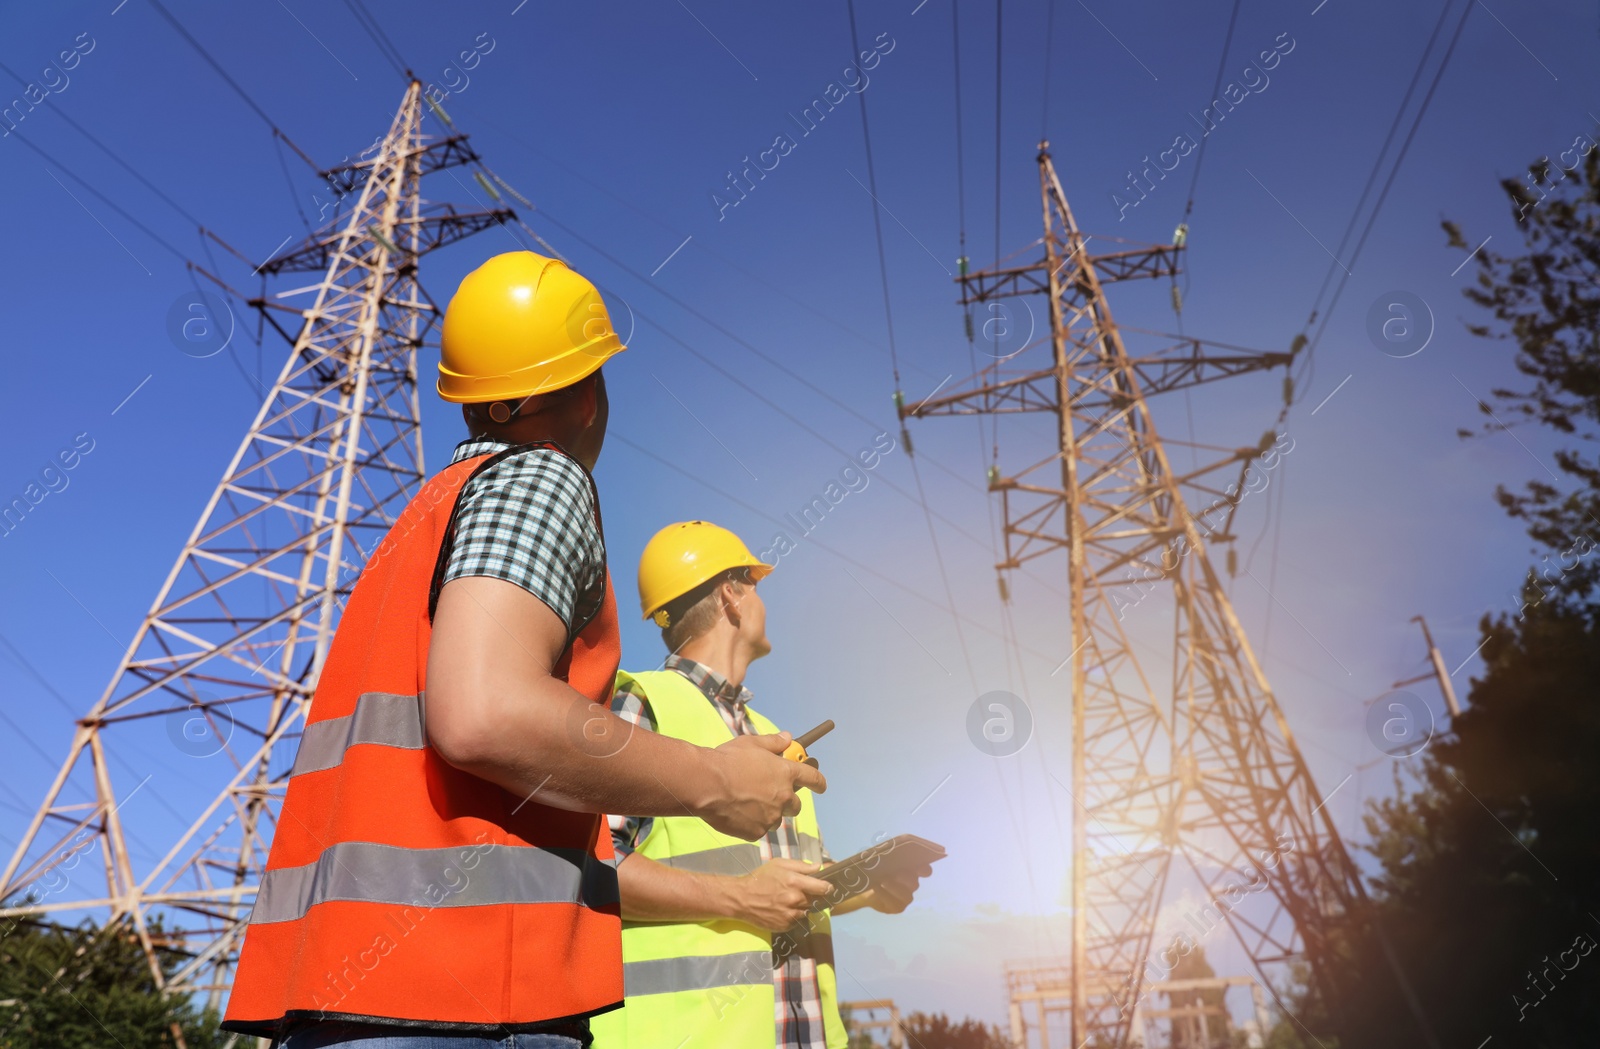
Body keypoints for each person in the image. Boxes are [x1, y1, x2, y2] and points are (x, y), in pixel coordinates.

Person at [221, 253, 825, 1048]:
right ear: (587, 391)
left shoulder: (423, 525)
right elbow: (485, 711)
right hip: (468, 1000)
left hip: (361, 995)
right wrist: (715, 780)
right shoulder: (542, 479)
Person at [589, 522, 930, 1049]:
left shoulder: (771, 738)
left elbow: (788, 894)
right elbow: (591, 866)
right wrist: (738, 898)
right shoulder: (641, 704)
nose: (763, 602)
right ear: (733, 593)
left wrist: (869, 892)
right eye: (757, 585)